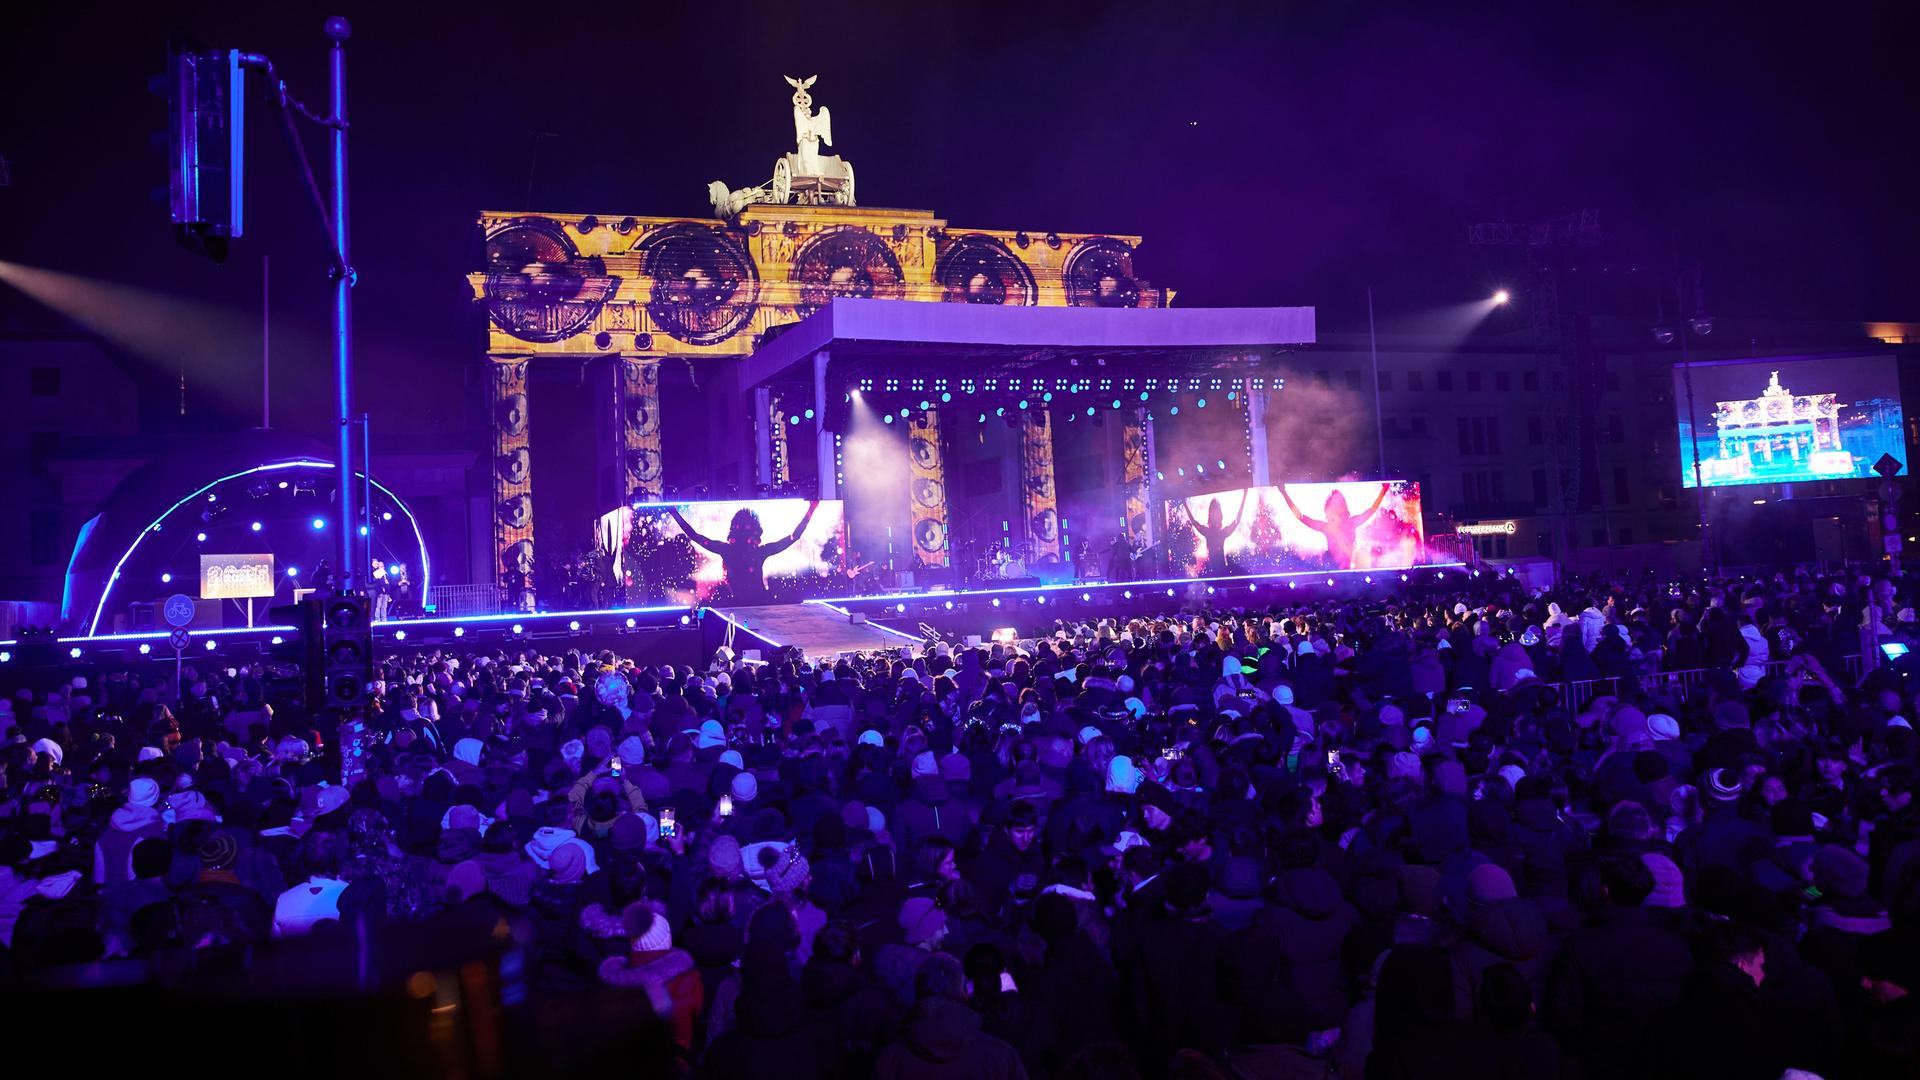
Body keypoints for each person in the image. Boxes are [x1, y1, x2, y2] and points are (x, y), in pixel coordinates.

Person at [668, 502, 821, 603]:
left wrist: (674, 512)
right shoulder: (757, 552)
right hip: (751, 604)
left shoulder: (730, 550)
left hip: (752, 604)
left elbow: (695, 536)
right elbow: (794, 537)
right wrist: (812, 509)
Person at [1280, 484, 1388, 571]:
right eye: (1336, 505)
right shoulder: (1328, 528)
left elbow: (1371, 510)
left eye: (1340, 504)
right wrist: (1283, 493)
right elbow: (1301, 517)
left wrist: (1384, 490)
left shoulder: (1351, 523)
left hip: (1351, 569)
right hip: (1332, 570)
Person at [1183, 492, 1247, 576]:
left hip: (1220, 571)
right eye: (1213, 514)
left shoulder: (1218, 533)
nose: (1215, 517)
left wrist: (1245, 496)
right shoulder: (1213, 533)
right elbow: (1194, 522)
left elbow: (1237, 520)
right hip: (1215, 571)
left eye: (1216, 514)